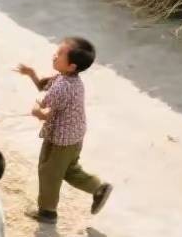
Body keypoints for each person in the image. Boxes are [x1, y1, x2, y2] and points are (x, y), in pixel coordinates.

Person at [18, 39, 113, 224]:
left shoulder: (62, 86)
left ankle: (47, 212)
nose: (55, 55)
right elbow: (42, 87)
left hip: (60, 141)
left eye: (60, 54)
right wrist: (32, 74)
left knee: (49, 173)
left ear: (71, 65)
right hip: (75, 137)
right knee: (68, 170)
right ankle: (98, 188)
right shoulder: (69, 79)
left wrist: (37, 111)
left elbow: (46, 113)